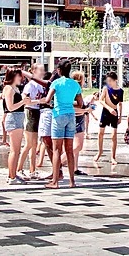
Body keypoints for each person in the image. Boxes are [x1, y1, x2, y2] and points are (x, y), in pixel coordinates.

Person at [45, 60, 83, 189]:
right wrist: (69, 103)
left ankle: (55, 182)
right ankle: (72, 181)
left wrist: (53, 104)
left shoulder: (56, 83)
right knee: (69, 150)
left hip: (58, 115)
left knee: (57, 150)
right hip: (71, 116)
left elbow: (47, 100)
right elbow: (80, 103)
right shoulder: (75, 84)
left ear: (59, 70)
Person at [18, 63, 46, 180]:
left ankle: (32, 170)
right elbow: (25, 99)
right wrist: (39, 101)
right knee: (29, 144)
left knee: (34, 145)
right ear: (33, 71)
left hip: (37, 112)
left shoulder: (40, 85)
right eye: (41, 70)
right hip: (30, 112)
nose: (43, 72)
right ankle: (19, 169)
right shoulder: (30, 85)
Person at [2, 69, 29, 185]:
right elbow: (10, 107)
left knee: (16, 150)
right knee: (14, 150)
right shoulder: (9, 88)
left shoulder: (15, 88)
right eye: (19, 76)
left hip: (18, 118)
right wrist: (23, 102)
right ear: (14, 76)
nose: (21, 78)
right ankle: (11, 176)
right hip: (13, 118)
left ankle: (13, 174)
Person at [67, 71, 95, 176]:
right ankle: (60, 161)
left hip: (78, 119)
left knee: (76, 147)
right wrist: (85, 110)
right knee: (78, 146)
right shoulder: (74, 90)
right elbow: (73, 107)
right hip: (76, 119)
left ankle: (75, 168)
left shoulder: (75, 90)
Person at [94, 71, 123, 165]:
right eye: (108, 81)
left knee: (114, 136)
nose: (109, 83)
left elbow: (120, 104)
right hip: (106, 112)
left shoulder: (120, 91)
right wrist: (109, 108)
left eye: (110, 81)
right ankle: (100, 151)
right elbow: (101, 100)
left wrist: (120, 117)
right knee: (100, 133)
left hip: (114, 113)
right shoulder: (106, 89)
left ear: (115, 80)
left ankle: (113, 157)